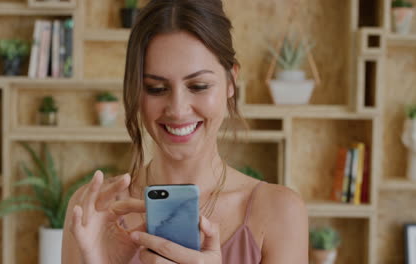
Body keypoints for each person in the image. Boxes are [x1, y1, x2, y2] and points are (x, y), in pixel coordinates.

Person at [62, 0, 308, 263]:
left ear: (231, 82)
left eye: (199, 86)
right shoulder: (92, 211)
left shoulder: (280, 212)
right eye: (156, 88)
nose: (178, 110)